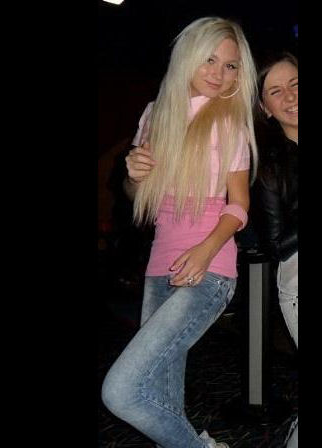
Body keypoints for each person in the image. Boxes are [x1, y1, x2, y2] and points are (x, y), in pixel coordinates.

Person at [101, 17, 258, 448]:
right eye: (210, 59)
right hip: (159, 265)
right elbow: (141, 197)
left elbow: (239, 205)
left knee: (122, 391)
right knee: (162, 399)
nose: (219, 73)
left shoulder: (231, 123)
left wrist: (205, 251)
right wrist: (134, 175)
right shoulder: (155, 114)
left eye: (230, 65)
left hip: (210, 267)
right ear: (187, 56)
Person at [252, 52, 298, 448]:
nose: (291, 97)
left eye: (296, 84)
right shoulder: (269, 165)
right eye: (277, 91)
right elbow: (274, 245)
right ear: (265, 108)